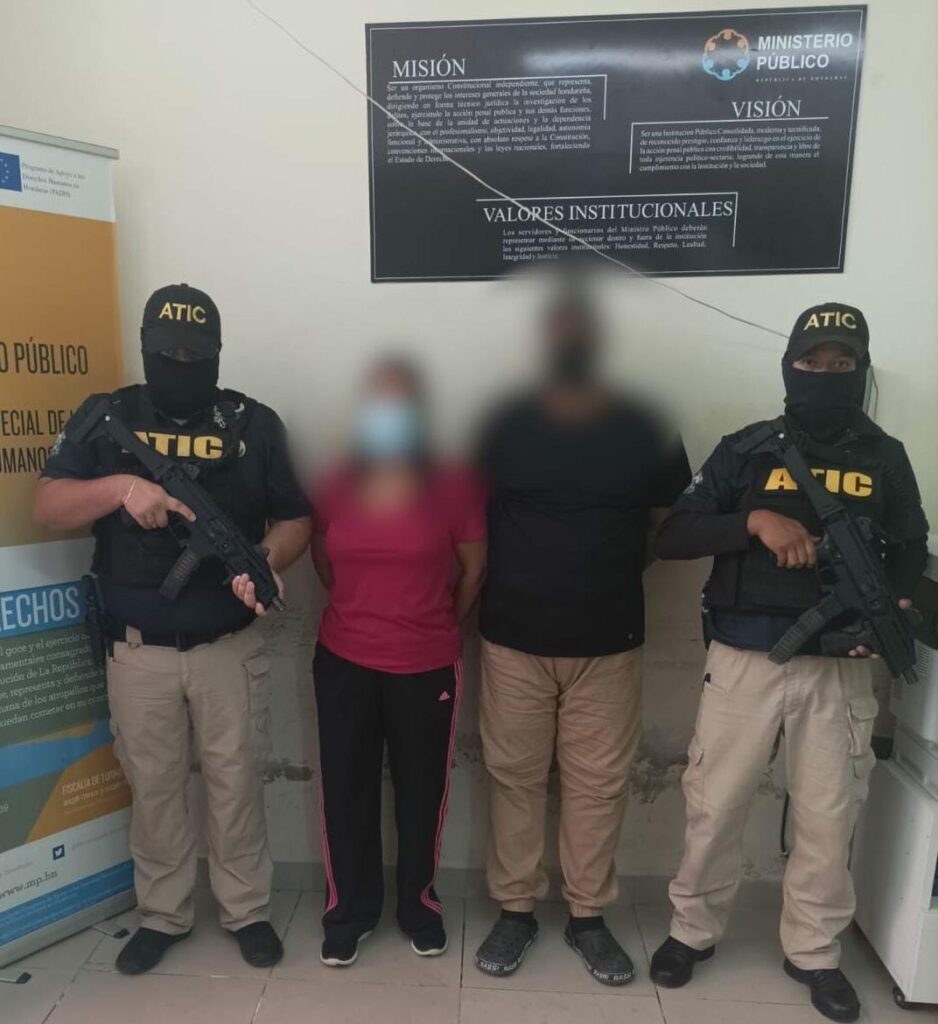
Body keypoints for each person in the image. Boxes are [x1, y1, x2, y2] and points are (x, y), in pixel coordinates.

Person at [649, 303, 928, 1023]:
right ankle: (692, 930)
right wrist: (753, 521)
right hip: (746, 658)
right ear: (789, 366)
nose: (825, 373)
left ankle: (814, 951)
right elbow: (674, 535)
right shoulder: (747, 450)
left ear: (861, 370)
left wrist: (888, 611)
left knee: (829, 818)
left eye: (842, 363)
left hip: (839, 669)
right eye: (812, 361)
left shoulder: (886, 456)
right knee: (715, 804)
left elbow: (910, 548)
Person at [33, 284, 312, 974]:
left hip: (228, 646)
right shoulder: (109, 416)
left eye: (195, 355)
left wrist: (265, 561)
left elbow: (295, 518)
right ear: (145, 349)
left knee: (236, 783)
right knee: (154, 789)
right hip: (138, 651)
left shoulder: (254, 423)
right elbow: (49, 505)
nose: (181, 365)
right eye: (168, 354)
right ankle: (163, 914)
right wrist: (122, 490)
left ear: (216, 353)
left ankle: (246, 910)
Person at [473, 286, 691, 985]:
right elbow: (470, 520)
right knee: (513, 777)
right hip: (512, 635)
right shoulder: (502, 419)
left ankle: (588, 917)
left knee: (598, 785)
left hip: (609, 638)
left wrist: (604, 573)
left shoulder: (645, 423)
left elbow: (664, 525)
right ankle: (515, 910)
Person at [310, 356, 486, 967]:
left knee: (421, 791)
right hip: (344, 657)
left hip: (426, 662)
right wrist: (362, 608)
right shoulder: (337, 481)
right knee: (346, 788)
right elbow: (323, 555)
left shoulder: (453, 484)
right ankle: (348, 912)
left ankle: (419, 906)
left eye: (401, 402)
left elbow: (473, 570)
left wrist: (432, 620)